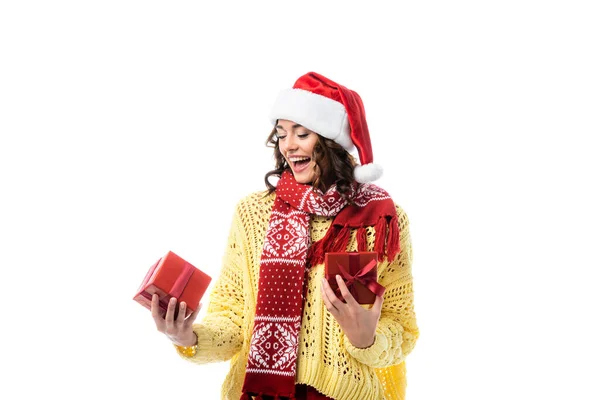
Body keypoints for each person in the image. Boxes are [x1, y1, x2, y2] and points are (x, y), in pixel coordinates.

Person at [150, 72, 419, 400]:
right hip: (260, 394)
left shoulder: (382, 219)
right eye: (281, 134)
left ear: (331, 141)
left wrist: (366, 339)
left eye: (302, 133)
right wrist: (188, 338)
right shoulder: (252, 213)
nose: (288, 145)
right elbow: (232, 318)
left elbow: (402, 330)